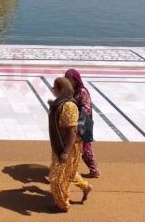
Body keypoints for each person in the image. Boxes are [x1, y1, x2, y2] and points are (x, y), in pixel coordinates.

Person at [48, 77, 91, 212]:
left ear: (60, 90)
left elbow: (72, 131)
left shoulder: (69, 106)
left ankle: (62, 204)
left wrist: (65, 152)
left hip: (68, 147)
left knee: (56, 178)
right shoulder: (60, 103)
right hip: (60, 145)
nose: (52, 90)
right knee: (69, 174)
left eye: (54, 88)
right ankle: (86, 186)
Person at [65, 69, 100, 178]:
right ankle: (65, 172)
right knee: (72, 148)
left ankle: (93, 170)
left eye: (69, 79)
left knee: (83, 148)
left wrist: (75, 116)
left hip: (81, 123)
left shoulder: (82, 91)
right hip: (72, 123)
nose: (67, 81)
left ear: (75, 80)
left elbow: (87, 108)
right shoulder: (71, 90)